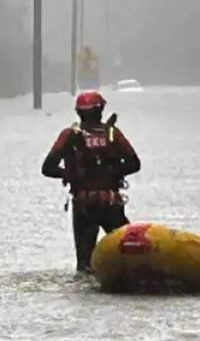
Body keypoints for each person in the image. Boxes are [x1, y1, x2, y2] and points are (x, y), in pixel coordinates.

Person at [42, 90, 141, 273]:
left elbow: (47, 168)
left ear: (78, 112)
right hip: (111, 202)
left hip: (84, 204)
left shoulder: (69, 135)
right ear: (101, 109)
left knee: (84, 261)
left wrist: (69, 174)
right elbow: (134, 163)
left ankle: (88, 288)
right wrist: (113, 172)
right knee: (128, 250)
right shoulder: (112, 134)